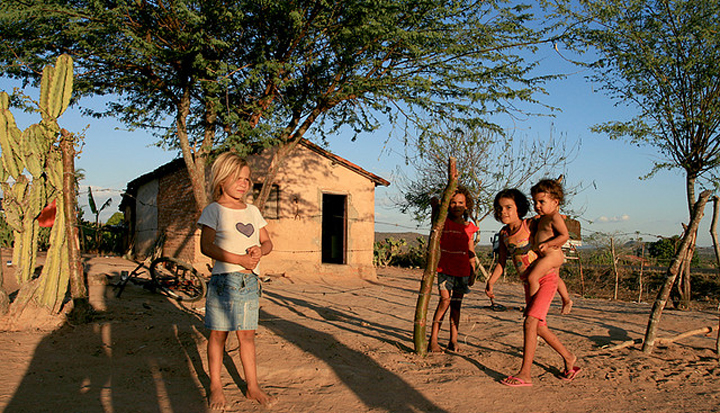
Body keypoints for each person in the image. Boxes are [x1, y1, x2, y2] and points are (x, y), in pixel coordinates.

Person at [198, 152, 276, 409]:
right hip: (224, 283)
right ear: (221, 180)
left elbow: (267, 242)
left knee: (247, 337)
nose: (244, 183)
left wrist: (258, 251)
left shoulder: (252, 211)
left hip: (250, 283)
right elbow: (206, 246)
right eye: (237, 178)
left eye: (247, 179)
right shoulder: (214, 210)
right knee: (218, 336)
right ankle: (216, 387)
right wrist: (238, 259)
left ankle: (252, 387)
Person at [486, 188, 579, 387]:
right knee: (539, 327)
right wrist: (491, 281)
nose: (504, 212)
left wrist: (556, 214)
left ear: (519, 208)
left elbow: (553, 220)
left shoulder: (531, 224)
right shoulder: (503, 234)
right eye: (500, 208)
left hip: (546, 279)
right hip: (529, 284)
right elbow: (502, 263)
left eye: (509, 207)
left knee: (530, 323)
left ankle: (525, 373)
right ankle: (569, 358)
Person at [428, 186, 479, 353]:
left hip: (463, 270)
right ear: (447, 205)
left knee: (457, 306)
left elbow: (471, 250)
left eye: (461, 203)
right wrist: (436, 204)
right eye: (453, 202)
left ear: (466, 205)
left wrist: (473, 270)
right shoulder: (443, 222)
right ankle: (433, 340)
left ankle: (453, 340)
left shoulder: (469, 226)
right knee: (445, 301)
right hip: (445, 269)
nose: (457, 206)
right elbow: (434, 213)